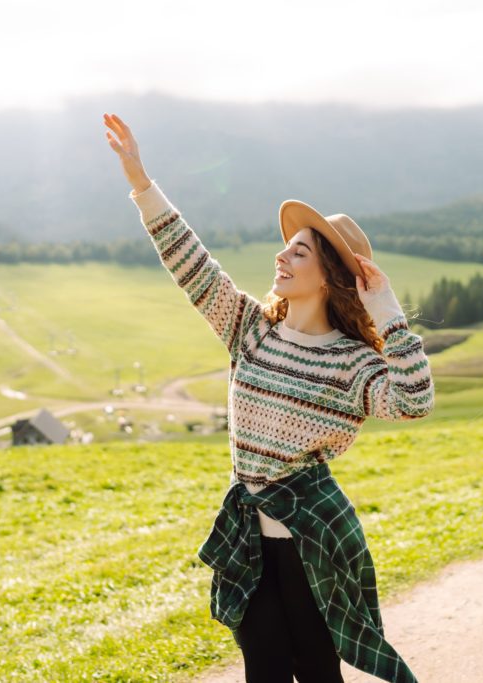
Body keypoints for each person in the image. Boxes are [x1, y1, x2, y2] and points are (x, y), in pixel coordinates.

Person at [104, 112, 433, 683]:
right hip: (246, 537)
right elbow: (191, 262)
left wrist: (388, 311)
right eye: (286, 249)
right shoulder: (249, 329)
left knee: (316, 673)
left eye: (299, 252)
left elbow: (413, 400)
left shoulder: (353, 363)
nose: (281, 257)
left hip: (314, 539)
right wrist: (140, 181)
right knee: (266, 672)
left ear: (330, 275)